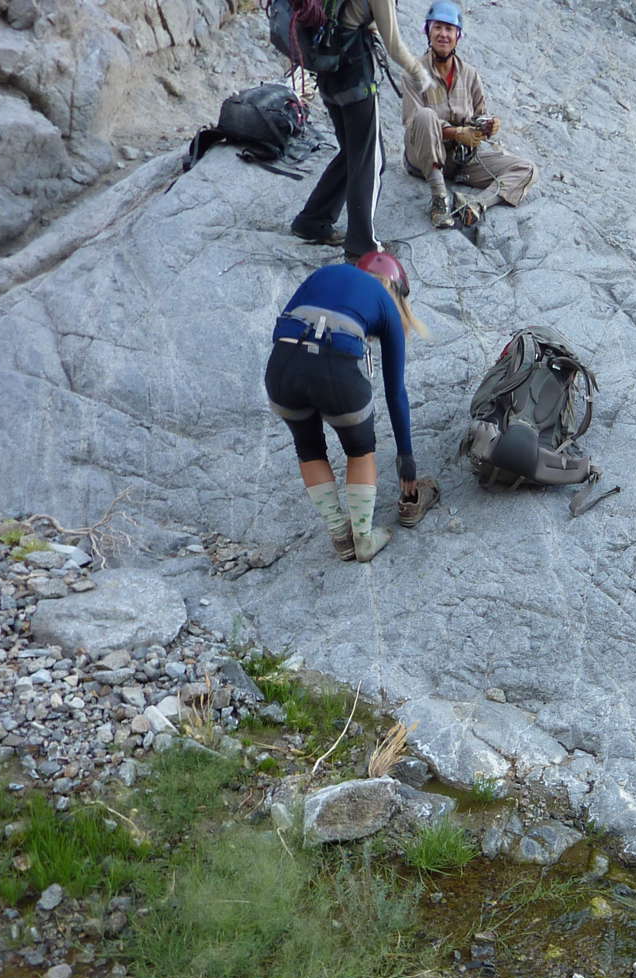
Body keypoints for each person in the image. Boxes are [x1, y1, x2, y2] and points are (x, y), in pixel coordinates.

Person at [264, 251, 440, 562]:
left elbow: (286, 323)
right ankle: (363, 538)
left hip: (281, 371)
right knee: (359, 449)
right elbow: (395, 392)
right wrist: (406, 457)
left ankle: (340, 537)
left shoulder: (324, 274)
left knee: (308, 447)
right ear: (395, 288)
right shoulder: (386, 303)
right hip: (336, 371)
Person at [290, 0, 431, 258]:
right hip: (354, 76)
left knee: (352, 152)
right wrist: (420, 73)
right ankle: (362, 244)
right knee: (370, 161)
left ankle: (312, 221)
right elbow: (394, 44)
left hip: (328, 72)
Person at [401, 1, 537, 227]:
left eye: (449, 29)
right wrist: (456, 133)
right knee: (425, 115)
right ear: (428, 31)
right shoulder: (413, 73)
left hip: (460, 160)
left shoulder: (470, 74)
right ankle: (439, 200)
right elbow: (412, 121)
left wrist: (488, 126)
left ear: (458, 36)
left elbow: (479, 115)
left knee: (526, 169)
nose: (443, 34)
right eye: (437, 27)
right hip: (422, 157)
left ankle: (476, 203)